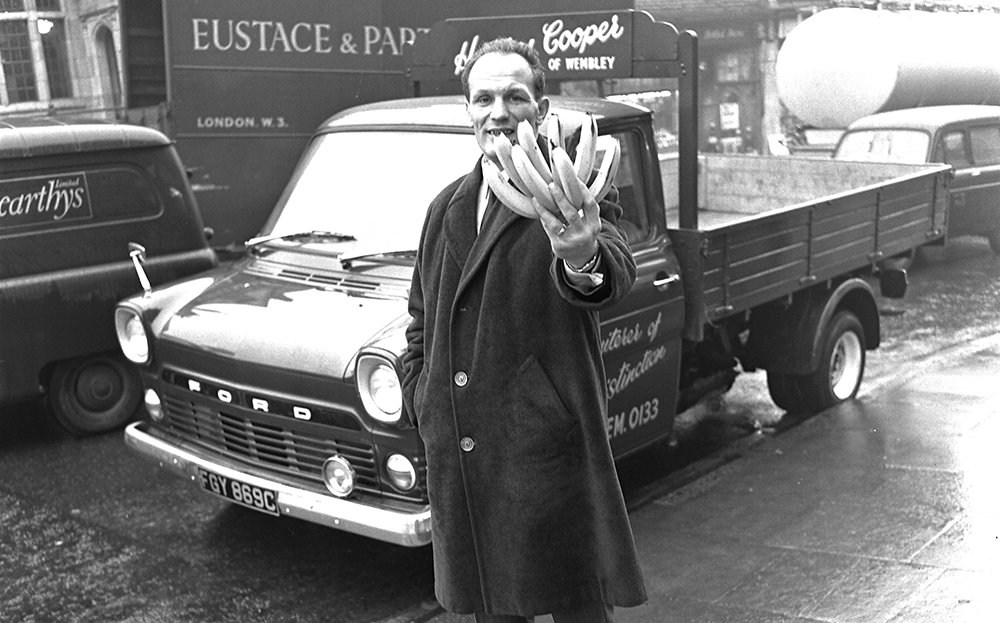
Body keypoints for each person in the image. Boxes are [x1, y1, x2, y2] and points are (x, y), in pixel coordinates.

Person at [402, 37, 646, 623]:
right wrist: (424, 398)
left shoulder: (570, 192)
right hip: (467, 460)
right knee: (493, 609)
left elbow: (611, 271)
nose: (498, 111)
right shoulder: (446, 208)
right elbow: (419, 321)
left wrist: (582, 256)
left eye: (515, 96)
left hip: (546, 459)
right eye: (482, 98)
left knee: (576, 605)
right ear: (467, 111)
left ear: (540, 106)